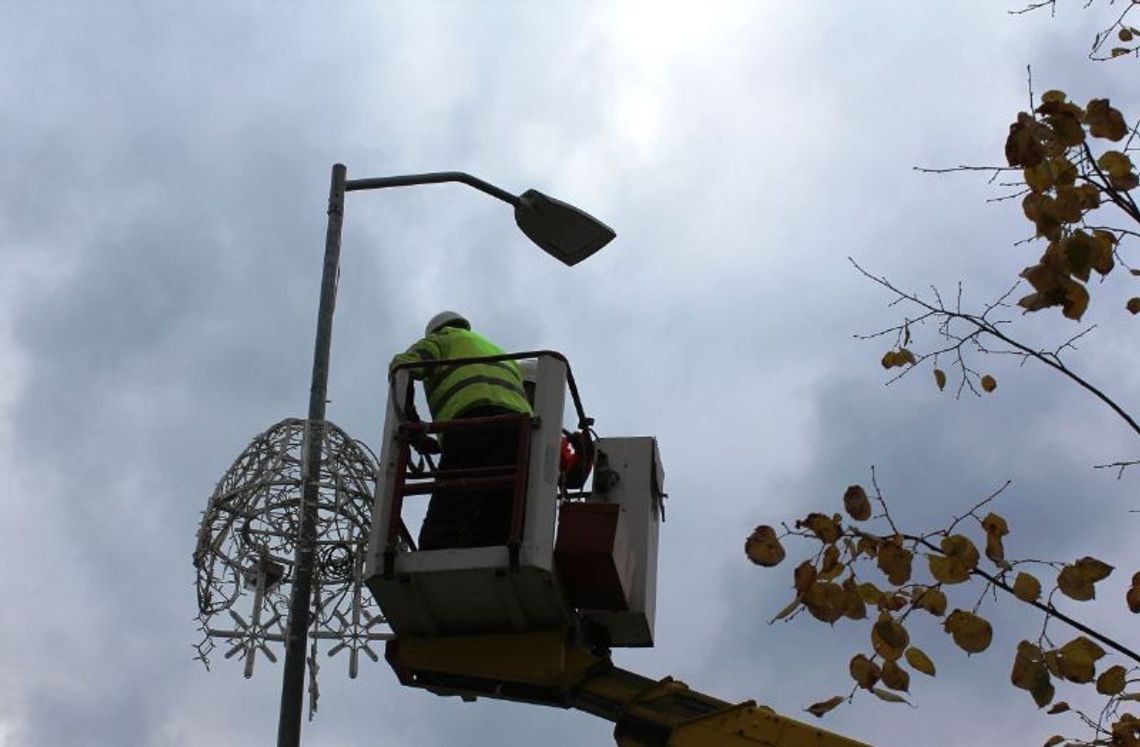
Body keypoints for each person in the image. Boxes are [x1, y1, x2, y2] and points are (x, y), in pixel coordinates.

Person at [390, 311, 533, 550]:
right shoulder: (497, 351)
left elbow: (403, 367)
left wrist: (414, 430)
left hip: (473, 423)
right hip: (520, 430)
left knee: (450, 507)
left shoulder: (442, 339)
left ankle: (433, 559)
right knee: (502, 510)